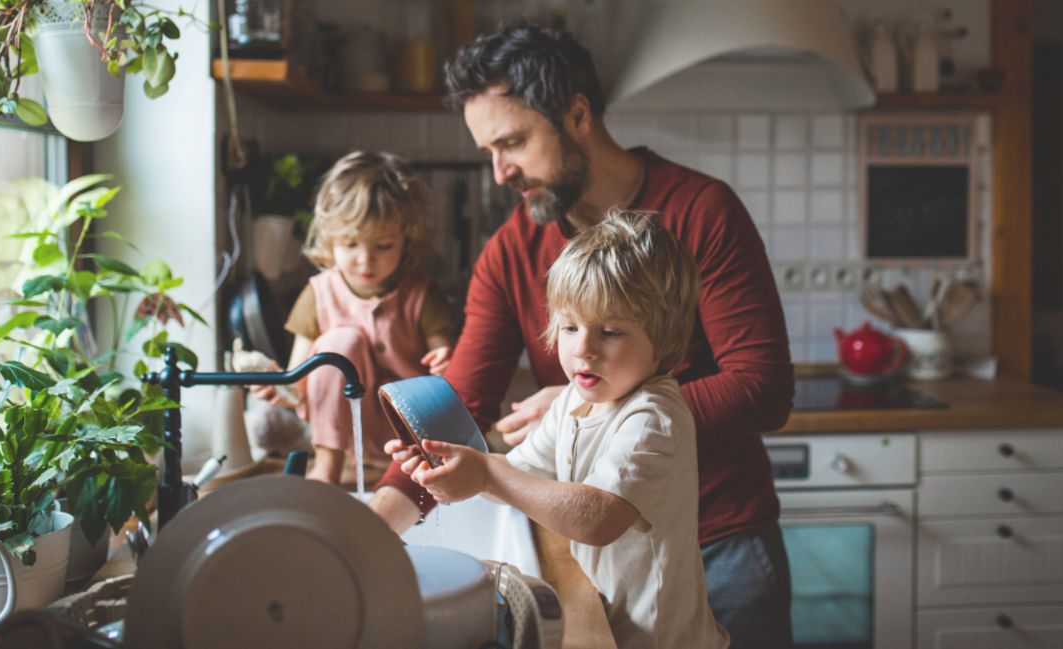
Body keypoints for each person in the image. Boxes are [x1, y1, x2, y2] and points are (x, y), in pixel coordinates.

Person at [367, 21, 795, 647]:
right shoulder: (512, 247)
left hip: (720, 542)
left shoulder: (702, 212)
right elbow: (458, 406)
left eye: (512, 142)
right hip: (604, 561)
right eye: (489, 150)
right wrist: (378, 525)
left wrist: (596, 408)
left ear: (577, 114)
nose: (500, 173)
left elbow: (762, 388)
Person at [397, 209, 727, 649]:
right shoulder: (574, 399)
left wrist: (488, 473)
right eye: (570, 327)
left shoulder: (652, 417)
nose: (582, 349)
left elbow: (599, 518)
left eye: (609, 332)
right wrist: (454, 470)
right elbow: (520, 477)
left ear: (664, 341)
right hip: (613, 624)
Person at [256, 150, 457, 485]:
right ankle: (327, 467)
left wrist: (446, 362)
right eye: (351, 244)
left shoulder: (422, 294)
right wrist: (280, 384)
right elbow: (299, 379)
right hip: (344, 435)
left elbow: (449, 363)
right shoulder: (318, 293)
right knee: (339, 343)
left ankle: (405, 469)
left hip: (412, 432)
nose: (366, 261)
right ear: (330, 239)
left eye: (383, 246)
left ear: (405, 240)